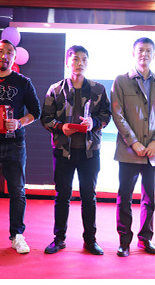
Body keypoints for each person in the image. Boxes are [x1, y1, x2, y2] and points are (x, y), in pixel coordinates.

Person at [40, 45, 112, 255]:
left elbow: (106, 115)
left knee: (89, 196)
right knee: (62, 195)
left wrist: (94, 122)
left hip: (90, 151)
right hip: (63, 150)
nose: (80, 63)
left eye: (84, 59)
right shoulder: (56, 89)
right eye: (75, 59)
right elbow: (45, 118)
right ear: (67, 62)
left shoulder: (98, 89)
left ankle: (90, 240)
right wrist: (61, 126)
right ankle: (59, 239)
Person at [110, 37, 155, 256]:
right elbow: (117, 113)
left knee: (149, 198)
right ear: (133, 54)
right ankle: (124, 240)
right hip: (129, 150)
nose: (144, 54)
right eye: (140, 50)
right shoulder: (121, 80)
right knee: (124, 197)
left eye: (148, 50)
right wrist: (133, 142)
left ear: (154, 55)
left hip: (152, 152)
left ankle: (145, 238)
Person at [0, 39, 41, 254]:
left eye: (9, 52)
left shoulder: (23, 82)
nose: (4, 55)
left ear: (14, 58)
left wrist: (19, 123)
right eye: (0, 51)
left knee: (17, 192)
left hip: (14, 144)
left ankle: (17, 235)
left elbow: (36, 112)